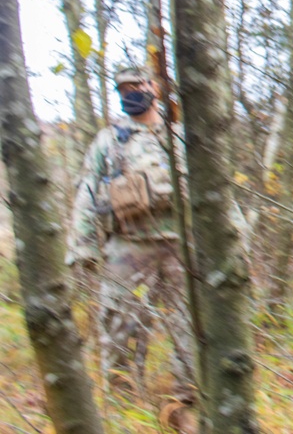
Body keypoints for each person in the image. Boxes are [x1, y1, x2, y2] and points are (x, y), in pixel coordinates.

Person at [68, 66, 196, 434]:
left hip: (179, 246)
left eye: (138, 85)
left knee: (188, 326)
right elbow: (87, 193)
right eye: (124, 88)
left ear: (154, 88)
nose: (132, 93)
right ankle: (123, 403)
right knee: (118, 324)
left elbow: (210, 188)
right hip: (127, 247)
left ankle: (184, 403)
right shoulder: (109, 140)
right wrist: (83, 248)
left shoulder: (180, 137)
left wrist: (233, 237)